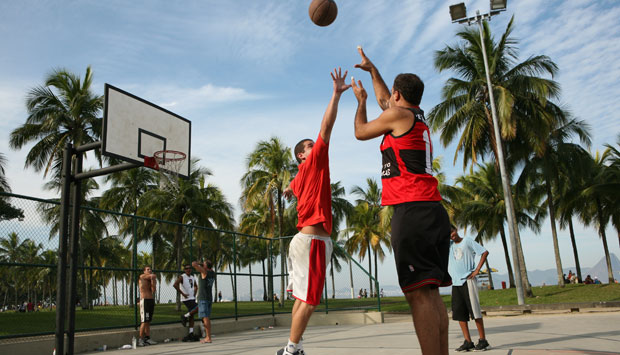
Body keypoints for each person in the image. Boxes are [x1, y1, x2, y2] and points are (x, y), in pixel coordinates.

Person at [350, 46, 452, 354]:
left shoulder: (397, 115)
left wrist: (361, 103)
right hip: (433, 210)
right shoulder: (415, 117)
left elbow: (360, 131)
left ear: (398, 95)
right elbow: (387, 100)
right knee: (430, 294)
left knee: (418, 296)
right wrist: (372, 70)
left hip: (413, 211)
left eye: (390, 97)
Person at [276, 68, 350, 355]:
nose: (315, 145)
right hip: (313, 242)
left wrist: (287, 189)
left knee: (301, 299)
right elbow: (326, 128)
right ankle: (292, 350)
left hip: (304, 242)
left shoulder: (299, 177)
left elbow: (291, 186)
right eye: (309, 146)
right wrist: (335, 95)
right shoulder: (314, 161)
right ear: (302, 155)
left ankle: (295, 347)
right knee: (309, 301)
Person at [448, 225, 490, 352]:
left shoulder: (467, 241)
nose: (451, 235)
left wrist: (477, 270)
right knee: (460, 314)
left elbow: (484, 252)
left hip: (468, 280)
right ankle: (468, 341)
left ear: (456, 230)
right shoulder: (448, 246)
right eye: (448, 234)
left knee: (475, 312)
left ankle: (483, 340)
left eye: (452, 231)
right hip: (456, 283)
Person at [192, 259, 215, 344]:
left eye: (204, 264)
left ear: (205, 266)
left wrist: (198, 263)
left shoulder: (205, 272)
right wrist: (203, 263)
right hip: (208, 298)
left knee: (205, 318)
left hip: (203, 298)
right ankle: (207, 336)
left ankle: (208, 337)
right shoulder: (213, 273)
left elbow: (193, 264)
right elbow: (209, 267)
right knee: (206, 318)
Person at [174, 264, 199, 342]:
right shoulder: (182, 277)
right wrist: (183, 293)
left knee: (192, 315)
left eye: (189, 268)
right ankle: (185, 316)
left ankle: (191, 332)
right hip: (186, 299)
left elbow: (196, 286)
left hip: (192, 298)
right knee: (199, 307)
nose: (188, 270)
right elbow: (175, 285)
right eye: (186, 268)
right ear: (184, 270)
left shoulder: (192, 277)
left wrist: (195, 293)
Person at [138, 265, 158, 346]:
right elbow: (153, 275)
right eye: (148, 269)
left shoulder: (151, 279)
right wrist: (152, 277)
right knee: (144, 321)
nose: (150, 270)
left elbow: (153, 290)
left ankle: (147, 338)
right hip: (145, 301)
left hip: (150, 301)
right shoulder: (142, 276)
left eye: (150, 269)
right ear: (144, 271)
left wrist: (153, 282)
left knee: (148, 321)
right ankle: (140, 339)